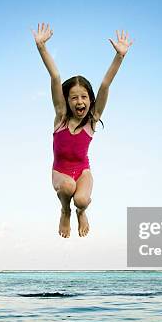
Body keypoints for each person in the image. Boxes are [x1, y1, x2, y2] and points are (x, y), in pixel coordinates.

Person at [32, 23, 133, 238]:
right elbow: (55, 77)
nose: (80, 101)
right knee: (68, 187)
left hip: (83, 172)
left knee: (81, 199)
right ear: (66, 101)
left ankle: (80, 211)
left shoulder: (92, 121)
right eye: (74, 97)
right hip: (61, 173)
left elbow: (105, 85)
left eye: (84, 97)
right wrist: (41, 46)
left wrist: (119, 56)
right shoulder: (60, 118)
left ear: (90, 100)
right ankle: (65, 211)